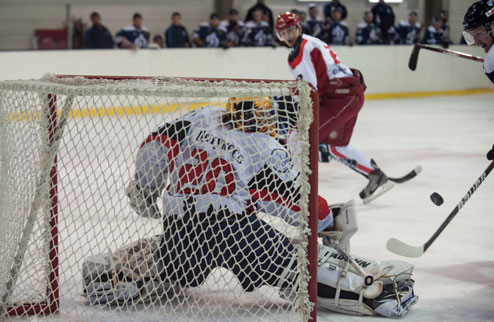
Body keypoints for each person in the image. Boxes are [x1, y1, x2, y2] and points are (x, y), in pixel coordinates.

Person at [81, 98, 418, 318]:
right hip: (236, 233)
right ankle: (374, 291)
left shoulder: (200, 117)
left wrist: (145, 189)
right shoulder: (264, 147)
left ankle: (123, 270)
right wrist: (326, 220)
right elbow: (298, 205)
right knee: (296, 265)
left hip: (179, 229)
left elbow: (156, 144)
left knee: (176, 261)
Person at [275, 12, 400, 204]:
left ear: (299, 27)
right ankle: (376, 175)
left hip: (340, 97)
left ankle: (297, 192)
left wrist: (295, 110)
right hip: (349, 95)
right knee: (336, 146)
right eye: (283, 33)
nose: (288, 36)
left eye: (290, 30)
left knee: (297, 136)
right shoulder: (310, 42)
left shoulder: (300, 51)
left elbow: (309, 87)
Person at [462, 0, 494, 84]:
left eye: (478, 34)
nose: (476, 42)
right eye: (473, 36)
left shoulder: (491, 59)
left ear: (492, 26)